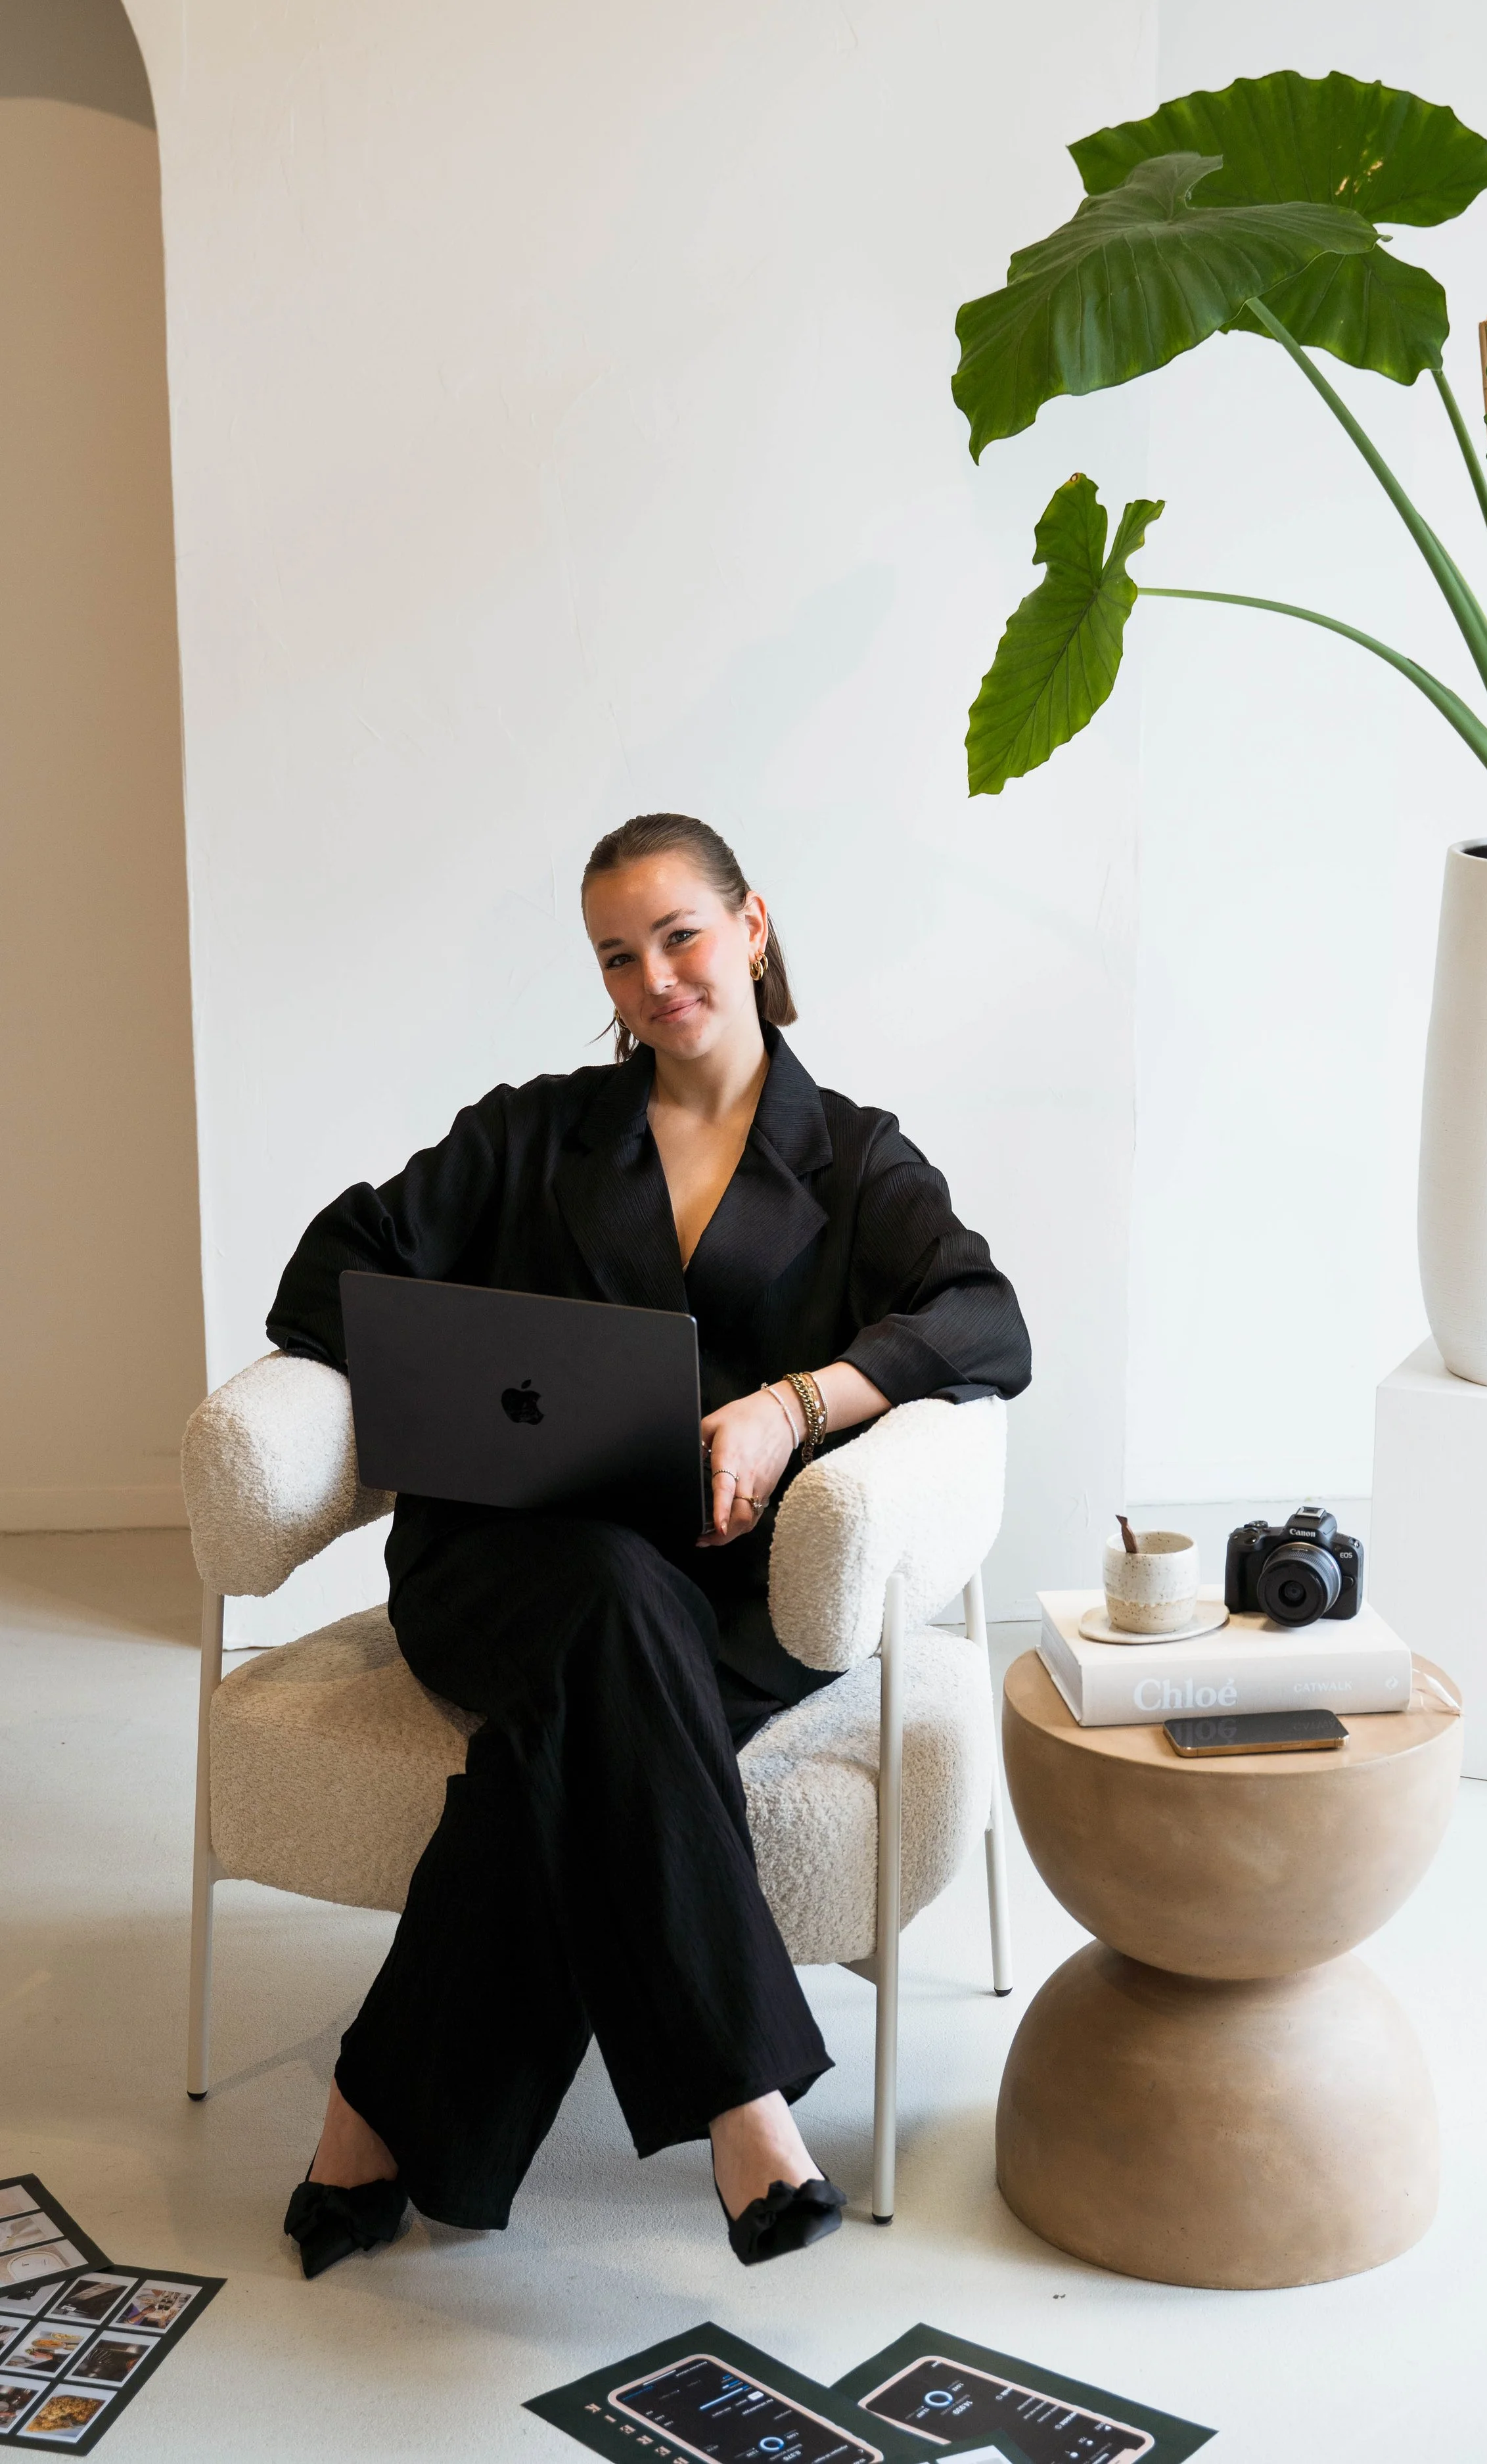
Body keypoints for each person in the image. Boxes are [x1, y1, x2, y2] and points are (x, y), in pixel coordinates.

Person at [269, 811, 1031, 2278]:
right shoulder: (536, 1132)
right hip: (494, 1569)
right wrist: (455, 1379)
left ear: (751, 929)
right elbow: (332, 1265)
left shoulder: (855, 1162)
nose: (653, 978)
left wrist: (795, 1407)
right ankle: (741, 2104)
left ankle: (373, 2109)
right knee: (605, 1608)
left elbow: (983, 1321)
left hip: (717, 1595)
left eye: (679, 936)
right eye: (617, 957)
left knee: (565, 1735)